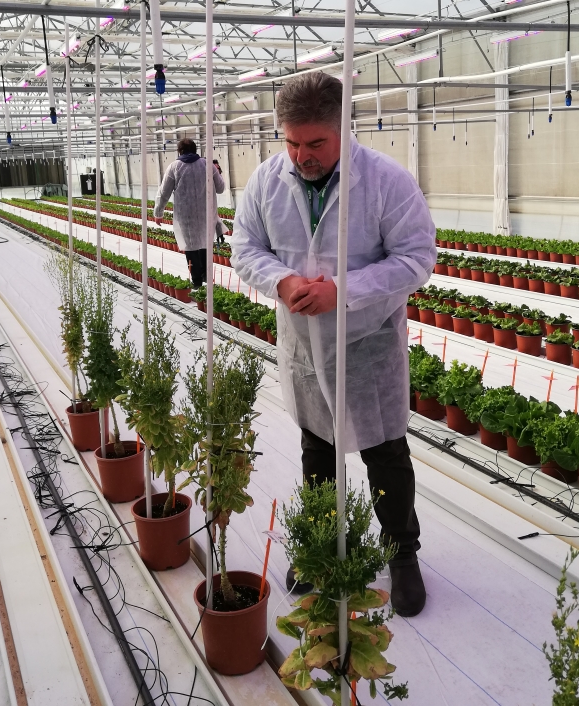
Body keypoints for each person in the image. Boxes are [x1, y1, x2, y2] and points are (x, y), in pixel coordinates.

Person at [230, 72, 437, 617]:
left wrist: (342, 292)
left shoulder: (387, 181)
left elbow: (417, 259)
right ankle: (320, 549)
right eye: (291, 142)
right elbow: (245, 246)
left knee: (386, 455)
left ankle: (403, 557)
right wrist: (284, 281)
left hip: (367, 346)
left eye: (315, 143)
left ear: (343, 129)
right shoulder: (266, 181)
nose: (301, 155)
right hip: (303, 346)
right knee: (316, 451)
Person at [154, 138, 225, 288]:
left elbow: (163, 193)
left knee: (191, 247)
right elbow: (220, 188)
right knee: (205, 244)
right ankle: (207, 277)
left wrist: (158, 212)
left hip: (186, 217)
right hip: (207, 215)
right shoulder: (208, 165)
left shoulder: (174, 167)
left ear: (179, 151)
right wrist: (218, 171)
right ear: (195, 150)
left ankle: (197, 282)